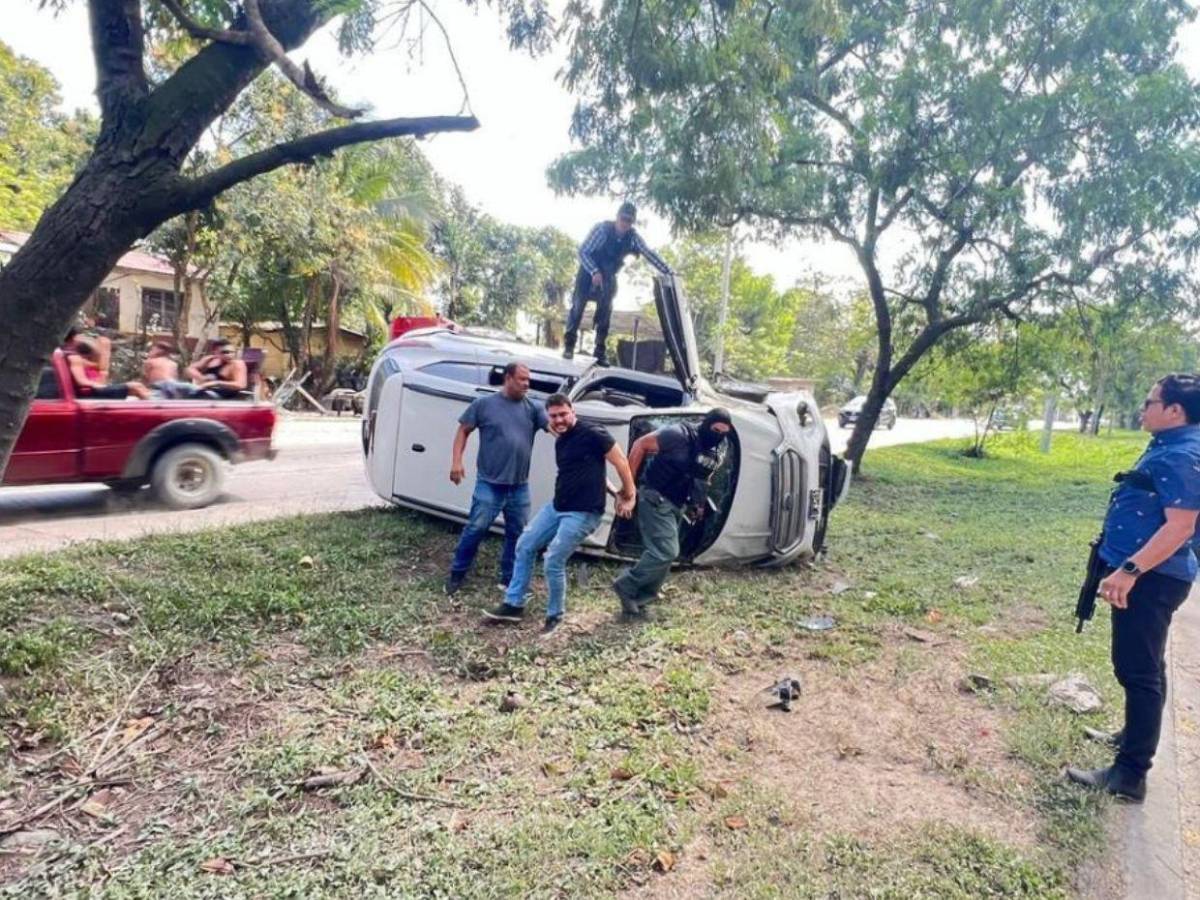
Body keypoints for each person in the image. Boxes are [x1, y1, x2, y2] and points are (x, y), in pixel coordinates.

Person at [1066, 374, 1200, 803]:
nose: (1143, 409)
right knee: (1149, 665)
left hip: (1151, 581)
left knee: (1136, 670)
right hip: (1150, 576)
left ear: (1174, 411)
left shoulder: (1183, 454)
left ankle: (1130, 774)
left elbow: (1180, 527)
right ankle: (1133, 737)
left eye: (1150, 401)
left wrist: (1128, 570)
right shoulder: (1172, 442)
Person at [483, 393, 637, 634]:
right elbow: (594, 472)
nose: (559, 419)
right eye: (553, 416)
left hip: (584, 512)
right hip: (558, 506)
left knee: (553, 559)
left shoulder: (594, 434)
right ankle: (513, 604)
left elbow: (621, 463)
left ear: (572, 411)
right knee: (524, 545)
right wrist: (612, 490)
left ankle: (555, 615)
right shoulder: (562, 440)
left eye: (563, 414)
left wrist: (628, 494)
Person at [612, 408, 733, 617]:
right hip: (655, 497)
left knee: (664, 553)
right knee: (666, 552)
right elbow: (640, 445)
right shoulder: (677, 434)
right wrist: (628, 489)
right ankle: (626, 585)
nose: (718, 435)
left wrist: (698, 504)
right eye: (715, 429)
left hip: (677, 503)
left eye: (724, 432)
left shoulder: (712, 449)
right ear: (707, 424)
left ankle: (644, 595)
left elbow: (703, 476)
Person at [445, 362, 550, 595]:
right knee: (476, 528)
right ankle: (457, 574)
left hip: (519, 486)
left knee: (517, 534)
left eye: (528, 379)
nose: (526, 384)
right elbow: (463, 430)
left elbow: (553, 427)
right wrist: (456, 462)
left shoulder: (533, 408)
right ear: (508, 378)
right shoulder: (484, 405)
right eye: (522, 379)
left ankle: (508, 578)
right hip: (490, 484)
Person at [562, 201, 673, 367]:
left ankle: (599, 351)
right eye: (623, 219)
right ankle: (569, 345)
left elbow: (648, 253)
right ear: (617, 217)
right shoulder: (602, 230)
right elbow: (582, 251)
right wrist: (594, 271)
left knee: (606, 311)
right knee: (577, 307)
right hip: (588, 271)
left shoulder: (633, 237)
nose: (625, 223)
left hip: (608, 275)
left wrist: (668, 271)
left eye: (629, 220)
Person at [65, 336, 151, 400]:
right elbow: (81, 381)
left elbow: (97, 364)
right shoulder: (74, 358)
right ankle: (155, 409)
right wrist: (97, 385)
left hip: (94, 388)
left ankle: (154, 404)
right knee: (135, 387)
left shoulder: (80, 360)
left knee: (139, 386)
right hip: (90, 392)